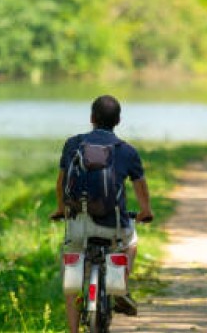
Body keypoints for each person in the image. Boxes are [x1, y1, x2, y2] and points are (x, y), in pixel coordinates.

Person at [50, 95, 154, 332]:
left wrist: (61, 209)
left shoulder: (73, 144)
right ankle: (121, 288)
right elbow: (141, 187)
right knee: (132, 242)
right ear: (118, 120)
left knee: (72, 281)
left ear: (91, 118)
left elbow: (61, 182)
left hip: (78, 225)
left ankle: (74, 330)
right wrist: (145, 211)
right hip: (114, 227)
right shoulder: (127, 150)